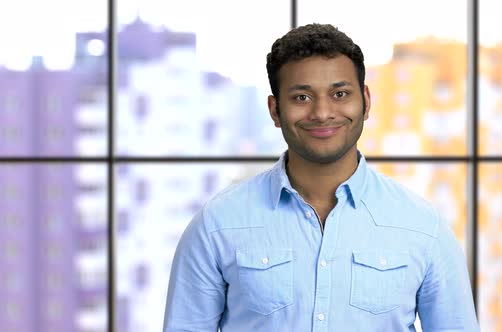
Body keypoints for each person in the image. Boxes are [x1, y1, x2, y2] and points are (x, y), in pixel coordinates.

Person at [163, 23, 479, 331]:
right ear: (275, 110)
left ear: (366, 102)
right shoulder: (217, 224)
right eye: (302, 97)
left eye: (340, 93)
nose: (322, 112)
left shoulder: (422, 226)